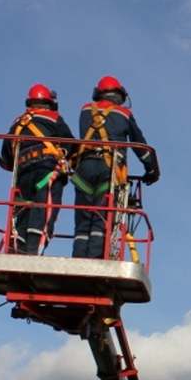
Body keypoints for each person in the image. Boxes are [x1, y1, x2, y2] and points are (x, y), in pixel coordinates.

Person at [71, 75, 160, 258]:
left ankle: (79, 258)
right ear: (120, 95)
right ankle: (95, 259)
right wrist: (152, 171)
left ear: (98, 93)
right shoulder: (124, 114)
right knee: (102, 217)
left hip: (83, 169)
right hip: (108, 170)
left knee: (83, 220)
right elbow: (140, 147)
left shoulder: (85, 110)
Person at [0, 84, 73, 255]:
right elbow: (71, 144)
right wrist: (65, 158)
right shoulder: (54, 118)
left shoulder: (17, 123)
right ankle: (33, 252)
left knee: (23, 210)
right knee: (43, 210)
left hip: (23, 174)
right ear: (49, 102)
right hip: (47, 172)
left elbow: (6, 157)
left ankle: (16, 249)